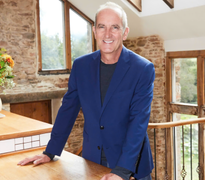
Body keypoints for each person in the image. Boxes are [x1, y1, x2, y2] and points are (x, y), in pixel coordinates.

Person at [18, 2, 154, 180]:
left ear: (125, 32)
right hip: (92, 161)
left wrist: (122, 171)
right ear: (94, 30)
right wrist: (50, 152)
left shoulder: (142, 69)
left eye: (115, 27)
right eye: (102, 27)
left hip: (131, 167)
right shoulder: (81, 66)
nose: (107, 34)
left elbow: (138, 122)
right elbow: (68, 110)